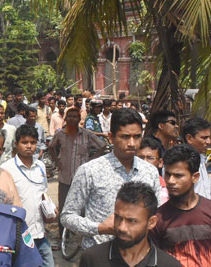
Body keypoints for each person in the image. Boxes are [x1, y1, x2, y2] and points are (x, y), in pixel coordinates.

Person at [60, 108, 161, 249]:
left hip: (139, 255)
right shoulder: (90, 171)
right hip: (100, 255)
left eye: (137, 137)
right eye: (125, 137)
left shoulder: (150, 172)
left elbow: (157, 213)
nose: (132, 143)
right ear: (111, 137)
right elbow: (67, 216)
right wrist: (100, 228)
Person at [3, 124, 57, 267]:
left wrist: (50, 210)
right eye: (24, 142)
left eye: (33, 143)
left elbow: (44, 194)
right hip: (17, 234)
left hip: (39, 232)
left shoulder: (40, 166)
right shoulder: (7, 169)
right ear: (16, 144)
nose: (29, 146)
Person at [48, 107, 107, 223]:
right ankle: (63, 234)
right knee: (64, 204)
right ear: (65, 119)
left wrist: (91, 160)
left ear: (79, 119)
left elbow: (102, 146)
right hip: (65, 177)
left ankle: (78, 231)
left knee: (81, 206)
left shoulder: (86, 134)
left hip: (81, 178)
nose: (72, 119)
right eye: (69, 116)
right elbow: (51, 147)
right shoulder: (60, 134)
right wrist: (56, 161)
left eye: (75, 116)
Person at [180, 117, 211, 199]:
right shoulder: (180, 163)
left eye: (209, 137)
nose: (209, 142)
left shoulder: (201, 159)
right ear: (189, 138)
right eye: (204, 138)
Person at [136, 137, 168, 206]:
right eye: (140, 157)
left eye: (150, 158)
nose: (144, 162)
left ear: (160, 162)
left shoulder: (167, 190)